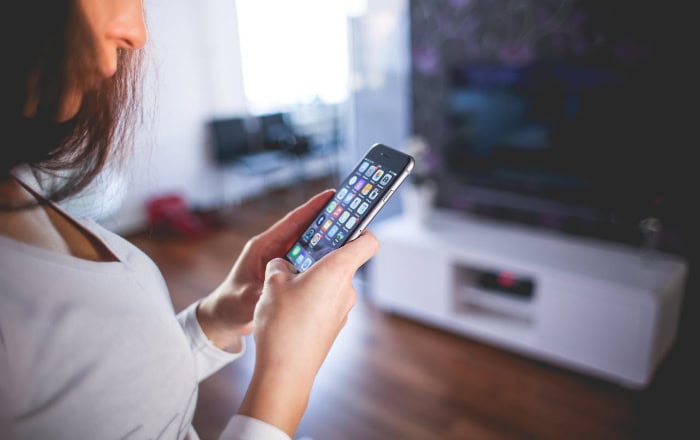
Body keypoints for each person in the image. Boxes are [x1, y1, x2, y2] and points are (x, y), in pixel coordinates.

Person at [0, 1, 378, 439]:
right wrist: (287, 371)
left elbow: (111, 394)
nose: (136, 32)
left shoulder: (20, 186)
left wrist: (217, 317)